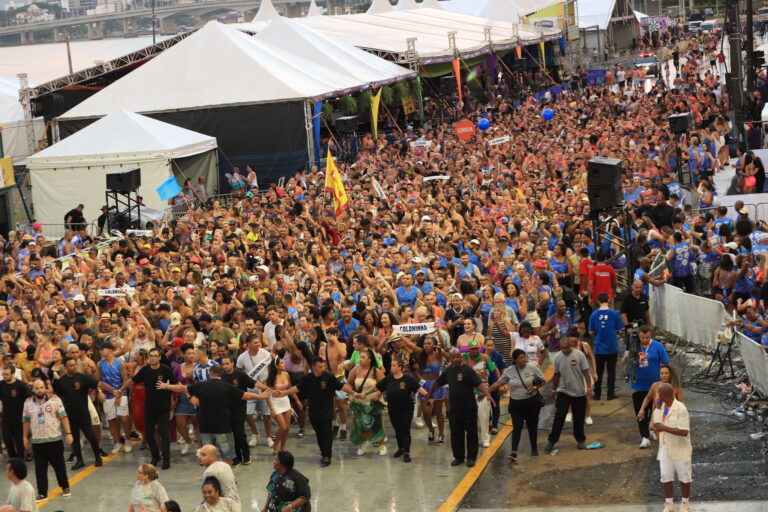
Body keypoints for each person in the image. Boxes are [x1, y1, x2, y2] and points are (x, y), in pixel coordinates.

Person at [158, 365, 270, 462]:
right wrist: (261, 396)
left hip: (206, 427)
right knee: (227, 456)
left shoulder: (202, 385)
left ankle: (211, 475)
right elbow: (246, 395)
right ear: (221, 374)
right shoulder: (228, 386)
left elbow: (183, 388)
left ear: (210, 373)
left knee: (208, 454)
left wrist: (166, 386)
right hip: (223, 426)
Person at [275, 356, 355, 467]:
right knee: (319, 434)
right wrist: (284, 393)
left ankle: (327, 456)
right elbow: (296, 388)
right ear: (314, 367)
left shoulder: (329, 377)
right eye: (320, 366)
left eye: (323, 366)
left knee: (327, 433)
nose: (323, 368)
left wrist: (353, 393)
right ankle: (323, 453)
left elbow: (341, 386)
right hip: (314, 412)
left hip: (327, 411)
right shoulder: (307, 378)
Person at [428, 348, 491, 467]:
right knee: (456, 433)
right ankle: (458, 457)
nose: (455, 360)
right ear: (450, 359)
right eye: (453, 358)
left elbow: (479, 383)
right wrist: (429, 393)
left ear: (460, 357)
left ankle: (471, 457)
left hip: (469, 408)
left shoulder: (468, 370)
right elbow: (438, 382)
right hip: (455, 409)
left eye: (457, 357)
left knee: (471, 433)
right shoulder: (449, 370)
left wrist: (488, 395)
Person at [119, 348, 176, 469]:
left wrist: (172, 394)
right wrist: (121, 390)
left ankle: (166, 459)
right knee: (149, 433)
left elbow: (175, 384)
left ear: (160, 357)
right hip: (149, 407)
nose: (153, 358)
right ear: (149, 357)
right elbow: (132, 380)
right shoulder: (145, 370)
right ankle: (155, 456)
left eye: (156, 356)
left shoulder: (166, 370)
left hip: (163, 407)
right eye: (151, 356)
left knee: (164, 434)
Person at [488, 349, 545, 462]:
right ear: (515, 360)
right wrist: (486, 392)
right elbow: (499, 382)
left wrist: (534, 387)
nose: (523, 359)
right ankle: (514, 452)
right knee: (517, 427)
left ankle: (534, 447)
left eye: (524, 357)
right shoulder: (510, 371)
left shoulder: (532, 368)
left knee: (532, 426)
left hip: (531, 402)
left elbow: (543, 381)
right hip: (516, 404)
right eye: (520, 358)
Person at [21, 379, 72, 501]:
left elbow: (63, 417)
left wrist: (69, 433)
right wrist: (24, 437)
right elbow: (26, 420)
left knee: (59, 465)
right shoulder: (28, 403)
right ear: (33, 389)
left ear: (45, 388)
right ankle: (42, 492)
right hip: (38, 441)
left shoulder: (55, 399)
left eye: (42, 387)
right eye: (37, 388)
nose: (40, 390)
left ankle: (65, 486)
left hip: (54, 439)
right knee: (40, 469)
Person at [51, 357, 103, 469]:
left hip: (83, 413)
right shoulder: (62, 381)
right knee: (74, 437)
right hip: (69, 413)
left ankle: (97, 457)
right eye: (70, 365)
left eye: (74, 364)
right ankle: (79, 460)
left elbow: (96, 384)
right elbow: (58, 396)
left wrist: (100, 392)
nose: (73, 367)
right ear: (65, 367)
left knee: (90, 435)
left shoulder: (82, 377)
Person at [373, 358, 428, 462]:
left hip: (406, 409)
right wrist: (372, 396)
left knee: (405, 429)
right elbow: (379, 389)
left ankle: (407, 452)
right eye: (391, 365)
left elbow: (419, 389)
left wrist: (428, 395)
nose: (391, 367)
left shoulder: (408, 379)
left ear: (400, 367)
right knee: (397, 430)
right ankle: (400, 448)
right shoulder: (388, 379)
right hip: (393, 409)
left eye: (394, 365)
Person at [544, 337, 592, 453]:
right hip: (563, 391)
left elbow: (586, 372)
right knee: (559, 416)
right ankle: (552, 441)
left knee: (579, 417)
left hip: (579, 392)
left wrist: (589, 388)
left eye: (566, 348)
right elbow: (556, 375)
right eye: (562, 348)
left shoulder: (580, 355)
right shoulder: (558, 357)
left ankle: (580, 439)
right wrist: (554, 390)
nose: (564, 350)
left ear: (570, 346)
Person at [653, 383, 693, 512]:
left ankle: (685, 503)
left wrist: (664, 428)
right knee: (666, 476)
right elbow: (656, 425)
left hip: (680, 449)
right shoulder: (661, 407)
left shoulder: (681, 408)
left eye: (659, 394)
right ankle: (669, 504)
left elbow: (684, 431)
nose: (657, 396)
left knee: (684, 477)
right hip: (665, 448)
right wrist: (657, 409)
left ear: (665, 395)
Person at [629, 325, 670, 449]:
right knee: (640, 413)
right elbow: (625, 363)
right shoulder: (634, 346)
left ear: (650, 335)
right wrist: (627, 356)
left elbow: (666, 362)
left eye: (647, 337)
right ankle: (644, 437)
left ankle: (652, 429)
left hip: (655, 385)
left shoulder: (657, 346)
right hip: (638, 385)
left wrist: (667, 378)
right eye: (642, 337)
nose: (644, 340)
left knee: (655, 411)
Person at [346, 349, 386, 456]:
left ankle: (381, 445)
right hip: (359, 402)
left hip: (373, 402)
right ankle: (363, 443)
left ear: (369, 360)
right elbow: (349, 384)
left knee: (376, 424)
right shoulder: (355, 370)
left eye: (363, 357)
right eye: (360, 357)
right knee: (360, 424)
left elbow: (384, 385)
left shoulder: (375, 371)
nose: (360, 359)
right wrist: (351, 395)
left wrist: (377, 395)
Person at [462, 339, 499, 448]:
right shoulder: (464, 357)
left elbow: (495, 370)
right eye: (473, 349)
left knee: (484, 417)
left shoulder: (485, 357)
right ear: (469, 350)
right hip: (469, 392)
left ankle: (485, 438)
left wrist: (500, 382)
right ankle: (474, 439)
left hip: (483, 392)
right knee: (471, 418)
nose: (475, 351)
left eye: (476, 348)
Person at [220, 356, 256, 466]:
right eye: (223, 364)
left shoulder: (240, 375)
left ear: (232, 363)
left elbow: (254, 383)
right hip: (226, 409)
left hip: (239, 408)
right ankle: (237, 457)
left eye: (227, 363)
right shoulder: (222, 377)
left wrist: (266, 389)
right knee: (231, 435)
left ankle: (246, 456)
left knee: (240, 434)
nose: (225, 366)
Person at [588, 293, 623, 401]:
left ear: (598, 301)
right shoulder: (614, 314)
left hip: (599, 347)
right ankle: (610, 394)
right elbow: (620, 330)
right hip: (612, 346)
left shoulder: (594, 314)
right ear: (608, 299)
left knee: (598, 371)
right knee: (611, 371)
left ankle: (597, 394)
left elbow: (590, 331)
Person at [0, 367, 31, 459]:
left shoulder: (21, 385)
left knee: (19, 442)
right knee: (7, 440)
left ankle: (20, 460)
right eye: (3, 374)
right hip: (6, 418)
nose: (4, 376)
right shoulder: (1, 385)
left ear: (13, 374)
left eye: (7, 374)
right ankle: (13, 459)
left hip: (19, 419)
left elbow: (29, 398)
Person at [198, 445, 239, 512]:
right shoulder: (225, 465)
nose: (199, 457)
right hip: (236, 504)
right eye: (200, 454)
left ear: (213, 457)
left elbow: (211, 494)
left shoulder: (209, 472)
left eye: (203, 455)